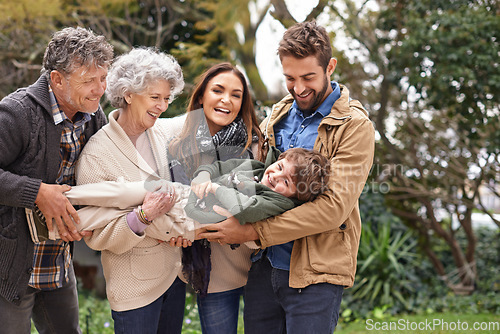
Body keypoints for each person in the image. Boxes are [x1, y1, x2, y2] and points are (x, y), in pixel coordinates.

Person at [197, 20, 376, 333]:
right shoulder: (279, 113)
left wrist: (254, 231)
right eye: (290, 78)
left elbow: (334, 208)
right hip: (264, 268)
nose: (299, 88)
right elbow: (259, 177)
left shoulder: (354, 127)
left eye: (309, 77)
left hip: (315, 275)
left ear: (330, 66)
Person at [0, 27, 113, 333]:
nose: (99, 89)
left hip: (58, 264)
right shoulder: (16, 113)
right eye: (89, 80)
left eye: (103, 78)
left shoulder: (94, 116)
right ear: (57, 79)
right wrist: (36, 192)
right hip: (8, 270)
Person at [74, 47, 192, 334]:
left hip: (173, 277)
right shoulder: (96, 154)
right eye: (155, 98)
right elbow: (96, 234)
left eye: (166, 98)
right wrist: (143, 215)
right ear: (128, 94)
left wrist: (184, 229)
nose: (163, 106)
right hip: (134, 289)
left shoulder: (163, 133)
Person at [167, 62, 265, 334]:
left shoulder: (254, 145)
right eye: (218, 90)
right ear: (201, 96)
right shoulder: (179, 146)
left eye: (236, 94)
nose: (226, 100)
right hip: (214, 272)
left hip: (259, 263)